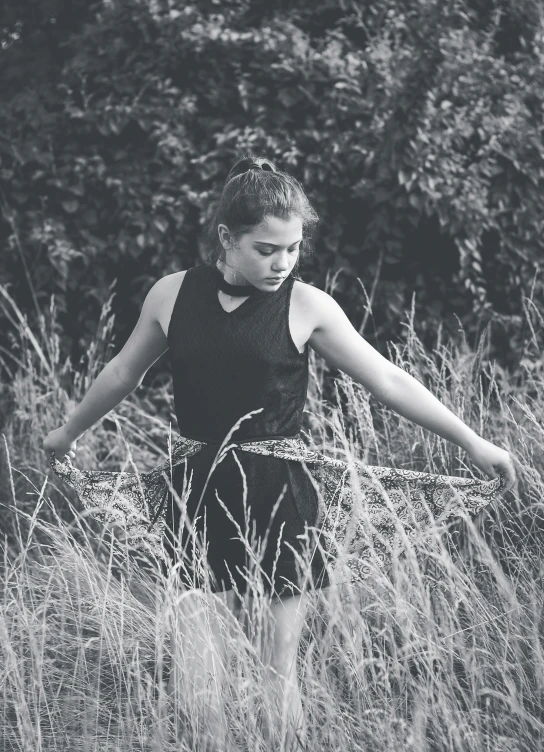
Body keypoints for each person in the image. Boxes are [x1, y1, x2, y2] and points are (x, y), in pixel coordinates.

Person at [43, 153, 516, 751]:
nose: (282, 262)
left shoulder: (306, 305)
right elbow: (121, 373)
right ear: (227, 238)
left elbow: (388, 380)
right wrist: (68, 431)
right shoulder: (171, 294)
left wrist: (474, 442)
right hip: (195, 492)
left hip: (280, 497)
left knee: (276, 671)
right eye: (266, 248)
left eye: (292, 248)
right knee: (198, 669)